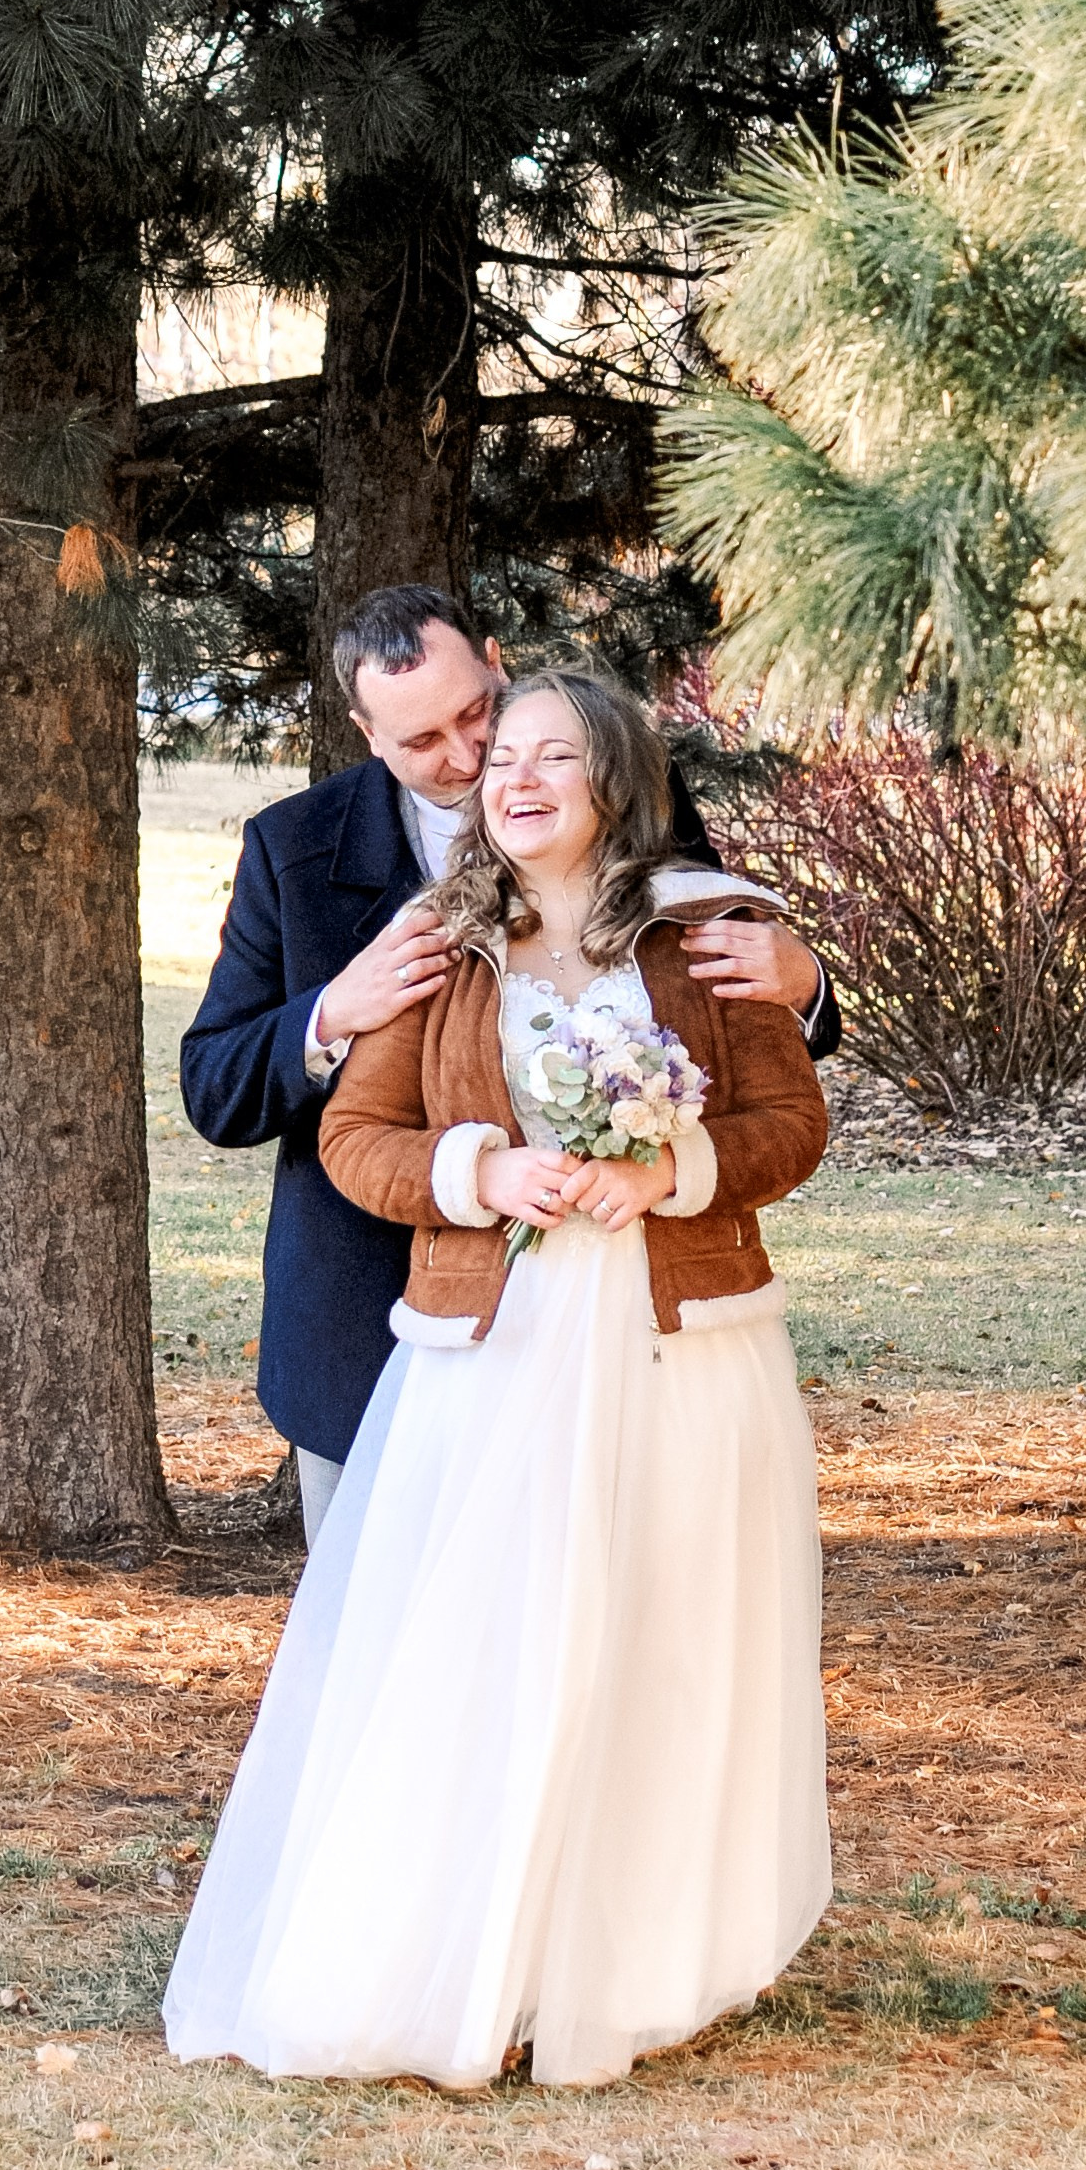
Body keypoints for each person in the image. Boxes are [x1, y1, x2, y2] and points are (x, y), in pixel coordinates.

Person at [163, 661, 831, 2090]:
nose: (513, 777)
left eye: (554, 757)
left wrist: (672, 1168)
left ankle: (641, 1965)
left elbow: (790, 1121)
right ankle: (475, 1955)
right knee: (484, 1647)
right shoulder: (440, 941)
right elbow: (358, 1142)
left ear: (613, 784)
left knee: (664, 1646)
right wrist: (483, 1171)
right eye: (499, 757)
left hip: (682, 1348)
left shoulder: (707, 927)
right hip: (492, 1359)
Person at [178, 585, 839, 1537]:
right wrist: (331, 1011)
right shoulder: (292, 848)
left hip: (616, 1310)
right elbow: (216, 1090)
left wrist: (804, 976)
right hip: (366, 1296)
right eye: (420, 742)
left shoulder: (627, 801)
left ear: (495, 659)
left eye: (474, 713)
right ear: (367, 734)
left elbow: (718, 1006)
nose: (468, 758)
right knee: (387, 1622)